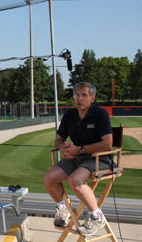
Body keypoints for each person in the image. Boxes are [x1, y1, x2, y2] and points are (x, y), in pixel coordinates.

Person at [43, 82, 113, 237]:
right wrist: (63, 148)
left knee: (75, 180)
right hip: (77, 157)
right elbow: (59, 139)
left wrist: (80, 149)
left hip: (98, 159)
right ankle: (63, 208)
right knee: (49, 178)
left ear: (92, 98)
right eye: (76, 95)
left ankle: (96, 216)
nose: (79, 98)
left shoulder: (100, 114)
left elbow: (108, 144)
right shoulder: (69, 115)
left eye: (84, 95)